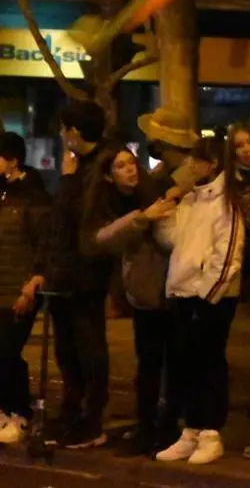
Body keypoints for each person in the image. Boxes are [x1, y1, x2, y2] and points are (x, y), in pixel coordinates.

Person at [155, 136, 245, 465]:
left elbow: (229, 252)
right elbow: (173, 240)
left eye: (198, 160)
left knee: (209, 362)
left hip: (210, 297)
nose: (192, 166)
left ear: (214, 164)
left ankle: (211, 431)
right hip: (182, 292)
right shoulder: (192, 199)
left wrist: (208, 294)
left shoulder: (227, 201)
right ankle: (190, 430)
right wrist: (166, 211)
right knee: (185, 363)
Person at [81, 145, 177, 456]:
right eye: (121, 166)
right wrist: (141, 218)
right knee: (147, 362)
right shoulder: (110, 203)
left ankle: (167, 426)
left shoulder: (153, 191)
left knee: (168, 361)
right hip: (142, 293)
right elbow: (100, 239)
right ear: (109, 176)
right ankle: (147, 425)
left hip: (167, 288)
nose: (130, 169)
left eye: (132, 163)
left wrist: (148, 214)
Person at [47, 99, 112, 449]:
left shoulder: (97, 169)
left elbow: (79, 219)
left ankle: (91, 417)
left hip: (85, 276)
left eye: (63, 129)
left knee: (88, 349)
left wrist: (69, 180)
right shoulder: (81, 166)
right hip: (65, 275)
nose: (61, 135)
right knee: (66, 349)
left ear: (73, 132)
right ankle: (71, 410)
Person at [0, 132, 52, 444]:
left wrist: (33, 282)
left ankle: (18, 412)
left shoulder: (35, 197)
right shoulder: (3, 193)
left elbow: (44, 245)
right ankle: (6, 409)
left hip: (19, 290)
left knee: (6, 351)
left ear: (13, 160)